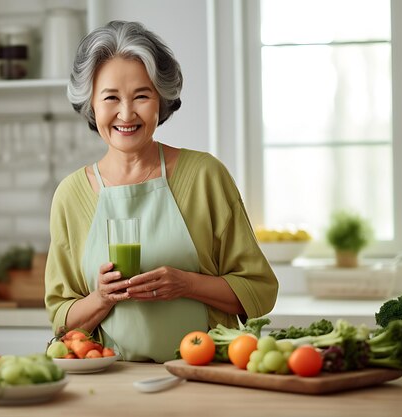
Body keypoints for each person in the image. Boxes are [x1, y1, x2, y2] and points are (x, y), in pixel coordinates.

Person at [44, 20, 278, 363]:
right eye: (111, 97)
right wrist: (102, 298)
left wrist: (186, 284)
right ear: (91, 103)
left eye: (142, 95)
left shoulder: (204, 176)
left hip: (205, 373)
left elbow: (259, 290)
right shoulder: (70, 195)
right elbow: (62, 320)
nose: (126, 113)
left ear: (160, 101)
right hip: (111, 382)